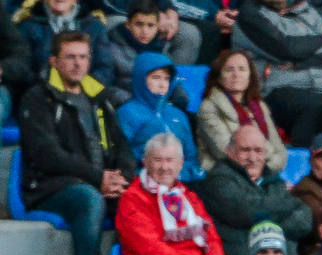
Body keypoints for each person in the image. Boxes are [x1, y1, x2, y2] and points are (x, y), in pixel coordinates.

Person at [17, 30, 137, 255]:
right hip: (49, 187)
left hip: (99, 180)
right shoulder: (38, 98)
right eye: (70, 57)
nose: (77, 63)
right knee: (89, 199)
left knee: (137, 199)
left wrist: (122, 178)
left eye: (83, 57)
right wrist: (99, 178)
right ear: (54, 61)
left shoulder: (100, 97)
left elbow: (123, 148)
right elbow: (48, 155)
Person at [198, 124, 313, 255]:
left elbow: (304, 219)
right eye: (245, 150)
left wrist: (261, 223)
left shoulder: (274, 181)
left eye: (258, 151)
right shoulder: (218, 180)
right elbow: (248, 212)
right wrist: (283, 211)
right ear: (229, 152)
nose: (252, 158)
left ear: (265, 154)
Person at [232, 0, 322, 145]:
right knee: (316, 107)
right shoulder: (249, 13)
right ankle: (304, 161)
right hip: (275, 91)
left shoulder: (308, 10)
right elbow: (288, 48)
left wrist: (300, 63)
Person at [195, 48, 287, 175]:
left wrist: (262, 171)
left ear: (250, 76)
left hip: (263, 175)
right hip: (225, 176)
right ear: (219, 77)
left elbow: (281, 155)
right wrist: (262, 157)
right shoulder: (209, 107)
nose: (236, 74)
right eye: (229, 70)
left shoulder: (260, 107)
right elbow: (225, 152)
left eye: (242, 69)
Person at [117, 52, 204, 183]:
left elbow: (191, 157)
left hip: (183, 182)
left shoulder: (178, 114)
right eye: (156, 78)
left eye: (166, 79)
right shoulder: (127, 113)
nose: (163, 84)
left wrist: (180, 176)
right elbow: (125, 159)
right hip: (144, 184)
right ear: (141, 79)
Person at [107, 0, 199, 108]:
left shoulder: (160, 50)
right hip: (126, 107)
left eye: (150, 26)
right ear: (128, 24)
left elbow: (172, 83)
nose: (145, 31)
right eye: (139, 24)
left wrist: (180, 99)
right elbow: (106, 87)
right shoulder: (112, 50)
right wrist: (133, 101)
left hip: (157, 108)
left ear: (157, 27)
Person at [16, 0, 115, 96]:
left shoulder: (95, 27)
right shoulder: (27, 27)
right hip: (42, 97)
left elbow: (105, 69)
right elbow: (22, 68)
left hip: (87, 97)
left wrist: (77, 89)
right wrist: (51, 88)